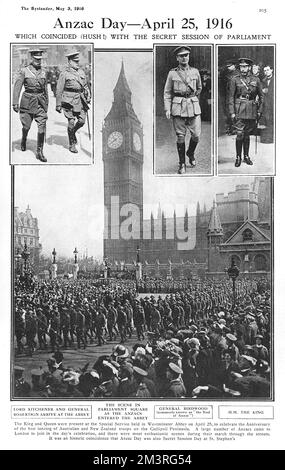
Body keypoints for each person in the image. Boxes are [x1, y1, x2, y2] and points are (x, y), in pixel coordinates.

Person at [164, 46, 202, 174]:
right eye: (181, 56)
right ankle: (182, 164)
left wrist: (193, 99)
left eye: (186, 55)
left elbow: (199, 88)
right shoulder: (172, 73)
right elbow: (167, 93)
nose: (184, 57)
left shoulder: (195, 72)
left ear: (189, 56)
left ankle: (190, 153)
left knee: (196, 135)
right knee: (180, 137)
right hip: (178, 107)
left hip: (193, 107)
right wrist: (167, 109)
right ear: (177, 58)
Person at [12, 49, 48, 162]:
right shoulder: (24, 71)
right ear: (31, 58)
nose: (38, 61)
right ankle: (24, 138)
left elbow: (45, 88)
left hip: (40, 103)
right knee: (26, 126)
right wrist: (15, 102)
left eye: (40, 59)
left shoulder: (43, 71)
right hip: (27, 102)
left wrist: (46, 103)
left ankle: (39, 151)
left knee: (42, 125)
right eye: (36, 59)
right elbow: (17, 87)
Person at [228, 58, 264, 167]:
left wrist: (259, 111)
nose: (243, 69)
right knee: (239, 134)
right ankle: (238, 157)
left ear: (249, 67)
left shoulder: (256, 80)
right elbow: (231, 97)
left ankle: (246, 156)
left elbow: (262, 97)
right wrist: (232, 112)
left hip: (251, 110)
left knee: (247, 134)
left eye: (245, 66)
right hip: (239, 109)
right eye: (241, 67)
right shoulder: (235, 79)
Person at [56, 51, 91, 153]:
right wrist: (58, 104)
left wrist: (87, 95)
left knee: (81, 121)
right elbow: (59, 89)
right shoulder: (64, 74)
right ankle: (72, 144)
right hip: (68, 100)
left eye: (78, 61)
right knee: (71, 121)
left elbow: (85, 86)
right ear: (70, 62)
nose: (77, 63)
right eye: (75, 61)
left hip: (80, 99)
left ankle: (73, 132)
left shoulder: (81, 72)